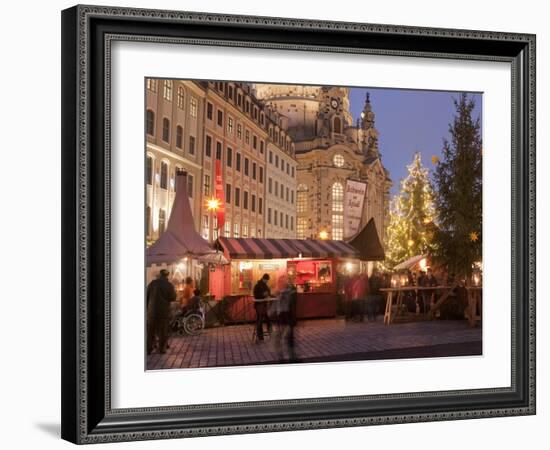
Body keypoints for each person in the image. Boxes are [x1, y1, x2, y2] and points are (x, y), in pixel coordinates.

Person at [147, 269, 176, 354]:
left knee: (151, 331)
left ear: (160, 275)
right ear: (167, 276)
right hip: (163, 312)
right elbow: (173, 297)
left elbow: (146, 296)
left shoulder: (152, 283)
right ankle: (161, 349)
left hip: (151, 311)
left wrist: (147, 309)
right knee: (163, 331)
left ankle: (149, 348)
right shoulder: (169, 285)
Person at [253, 274, 272, 341]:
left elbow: (268, 292)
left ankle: (262, 336)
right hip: (260, 305)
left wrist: (269, 295)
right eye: (266, 280)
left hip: (262, 305)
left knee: (262, 319)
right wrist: (264, 295)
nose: (267, 281)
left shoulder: (262, 285)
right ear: (264, 279)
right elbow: (256, 295)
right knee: (262, 319)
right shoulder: (258, 286)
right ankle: (263, 335)